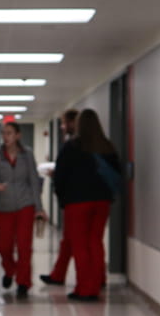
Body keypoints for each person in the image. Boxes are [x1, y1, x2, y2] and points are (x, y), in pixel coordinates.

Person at [52, 109, 122, 302]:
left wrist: (62, 198)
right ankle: (98, 281)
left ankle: (85, 289)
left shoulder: (72, 147)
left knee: (80, 245)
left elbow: (60, 176)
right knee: (95, 242)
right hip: (102, 202)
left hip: (78, 203)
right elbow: (117, 175)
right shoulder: (108, 147)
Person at [0, 121, 47, 299]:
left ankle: (23, 283)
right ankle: (10, 270)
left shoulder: (27, 155)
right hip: (4, 207)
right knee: (4, 247)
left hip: (25, 205)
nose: (6, 137)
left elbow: (34, 181)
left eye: (9, 133)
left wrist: (39, 208)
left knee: (24, 246)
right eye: (3, 133)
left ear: (18, 135)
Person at [40, 108, 78, 286]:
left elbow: (67, 172)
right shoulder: (91, 143)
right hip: (82, 199)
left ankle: (87, 286)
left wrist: (56, 174)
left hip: (75, 201)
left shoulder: (74, 145)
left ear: (72, 123)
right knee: (72, 241)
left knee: (79, 243)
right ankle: (58, 275)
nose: (62, 127)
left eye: (64, 123)